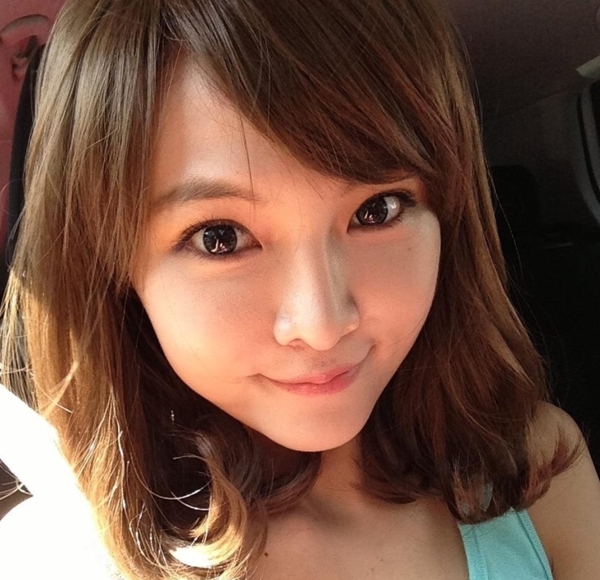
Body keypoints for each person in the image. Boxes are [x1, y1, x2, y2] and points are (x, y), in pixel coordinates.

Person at [0, 0, 599, 578]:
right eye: (220, 238)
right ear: (112, 266)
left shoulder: (536, 464)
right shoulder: (55, 554)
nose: (322, 323)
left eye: (377, 210)